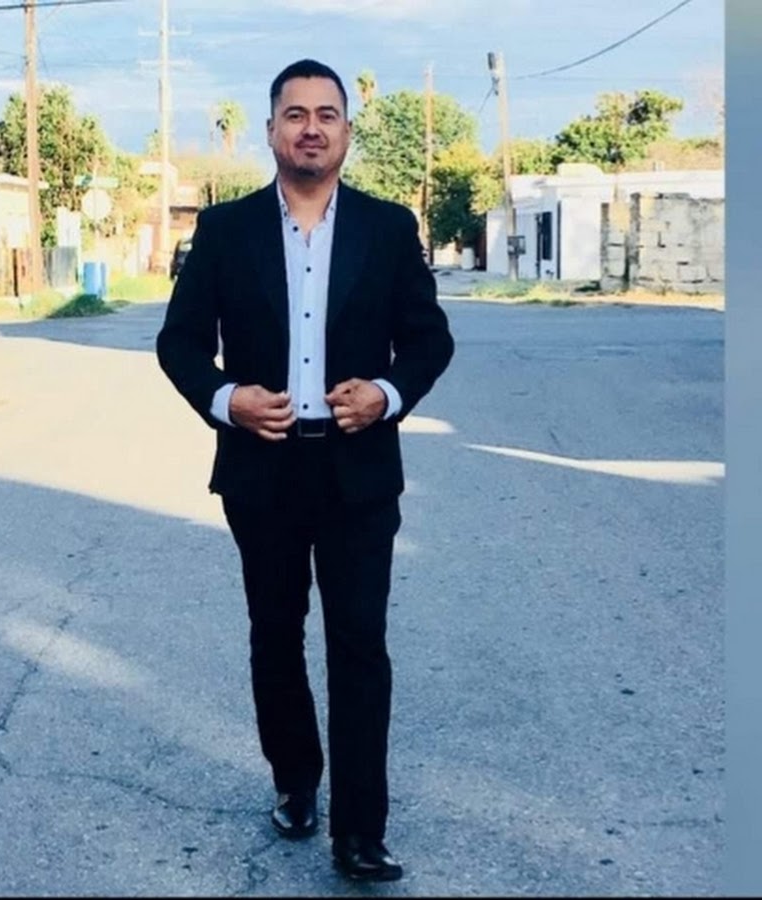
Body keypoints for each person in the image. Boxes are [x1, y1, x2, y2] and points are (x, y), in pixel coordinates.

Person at [156, 58, 454, 882]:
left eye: (327, 114)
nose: (311, 128)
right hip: (263, 472)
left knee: (360, 645)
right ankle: (295, 781)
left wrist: (388, 394)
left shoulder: (388, 228)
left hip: (360, 473)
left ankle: (361, 830)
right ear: (272, 131)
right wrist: (228, 400)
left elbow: (428, 339)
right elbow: (179, 342)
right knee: (275, 636)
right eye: (296, 114)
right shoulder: (227, 231)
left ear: (347, 132)